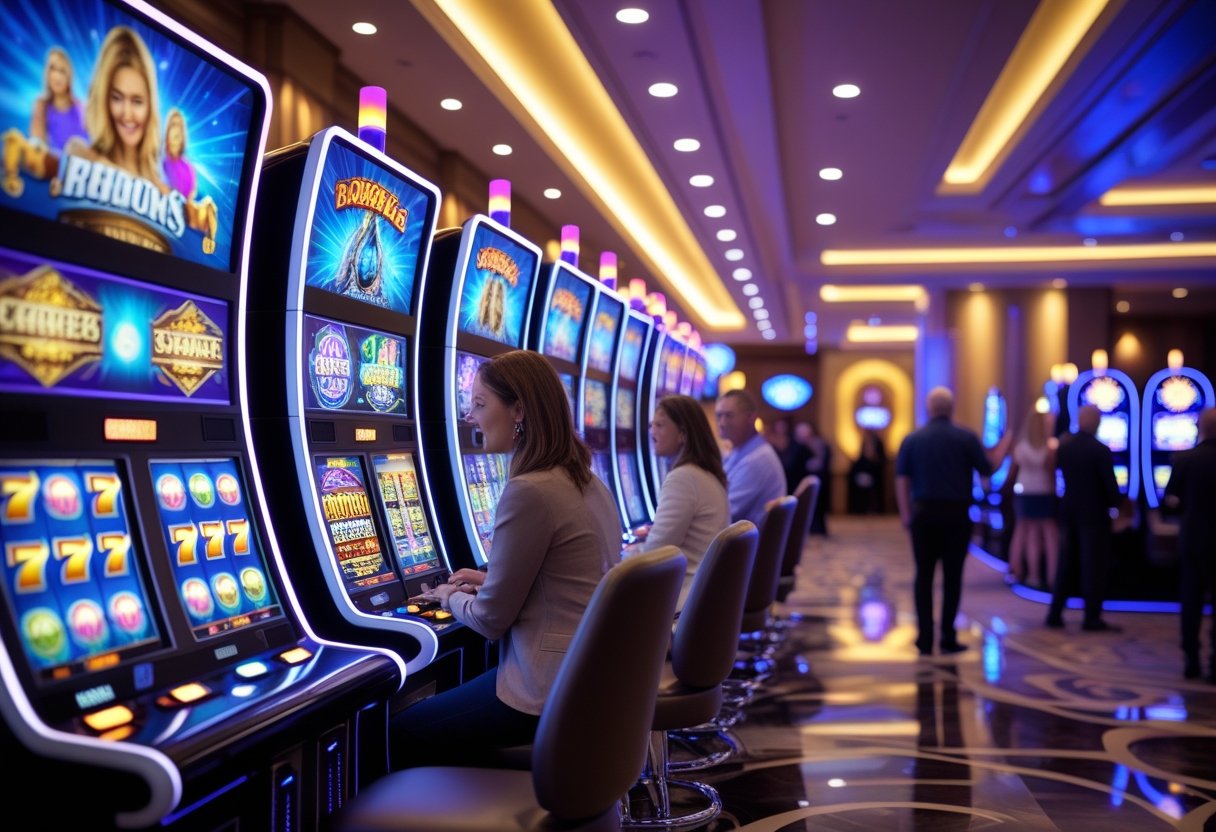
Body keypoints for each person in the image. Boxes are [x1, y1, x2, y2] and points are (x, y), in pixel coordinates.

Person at [388, 350, 622, 765]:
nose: (470, 417)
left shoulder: (530, 490)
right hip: (593, 678)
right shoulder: (586, 480)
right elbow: (560, 581)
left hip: (546, 690)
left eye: (480, 404)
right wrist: (488, 580)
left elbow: (492, 621)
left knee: (402, 729)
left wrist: (447, 597)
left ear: (519, 409)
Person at [896, 386, 1009, 656]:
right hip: (957, 515)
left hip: (923, 514)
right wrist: (1004, 446)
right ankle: (947, 636)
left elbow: (902, 480)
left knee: (923, 576)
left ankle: (924, 638)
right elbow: (988, 469)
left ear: (929, 409)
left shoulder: (913, 439)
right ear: (951, 408)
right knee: (952, 576)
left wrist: (905, 514)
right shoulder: (965, 437)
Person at [625, 394, 729, 611]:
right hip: (706, 594)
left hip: (682, 599)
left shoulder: (683, 477)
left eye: (660, 425)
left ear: (683, 433)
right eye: (652, 425)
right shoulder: (704, 474)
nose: (652, 432)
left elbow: (657, 551)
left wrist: (619, 555)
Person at [1045, 404, 1122, 632]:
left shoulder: (1065, 445)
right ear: (1096, 422)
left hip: (1068, 509)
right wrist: (1120, 506)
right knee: (1093, 566)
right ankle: (1091, 617)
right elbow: (1110, 488)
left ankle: (1055, 613)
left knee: (1066, 563)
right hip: (1094, 514)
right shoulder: (1100, 450)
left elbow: (1053, 471)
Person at [67, 26, 165, 185]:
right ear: (104, 100)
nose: (127, 114)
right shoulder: (81, 157)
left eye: (137, 101)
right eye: (117, 98)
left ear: (150, 107)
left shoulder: (163, 192)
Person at [1163, 408, 1216, 680]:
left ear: (1200, 428)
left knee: (1191, 600)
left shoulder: (1186, 459)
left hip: (1194, 536)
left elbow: (1170, 499)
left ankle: (1191, 660)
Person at [3, 47, 87, 196]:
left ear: (69, 77)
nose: (56, 76)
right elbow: (37, 142)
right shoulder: (41, 104)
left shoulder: (79, 107)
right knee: (14, 139)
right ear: (47, 74)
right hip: (49, 161)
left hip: (77, 166)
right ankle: (10, 180)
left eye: (62, 71)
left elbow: (87, 147)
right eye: (52, 69)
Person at [715, 389, 786, 529]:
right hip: (742, 543)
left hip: (744, 548)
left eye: (729, 416)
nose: (722, 423)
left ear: (750, 418)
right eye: (719, 416)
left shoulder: (757, 461)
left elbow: (722, 516)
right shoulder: (740, 451)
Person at [1007, 407, 1060, 588]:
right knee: (1050, 534)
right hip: (1044, 491)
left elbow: (1012, 473)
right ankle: (1053, 577)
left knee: (1024, 532)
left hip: (1024, 491)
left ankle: (1027, 574)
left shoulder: (1020, 446)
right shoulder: (1051, 446)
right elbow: (1051, 472)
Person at [797, 420, 832, 535]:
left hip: (820, 481)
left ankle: (819, 529)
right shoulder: (800, 447)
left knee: (818, 509)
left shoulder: (818, 444)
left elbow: (820, 463)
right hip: (808, 481)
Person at [848, 429, 887, 514]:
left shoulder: (878, 444)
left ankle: (876, 509)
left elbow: (883, 459)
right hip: (863, 473)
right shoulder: (863, 446)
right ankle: (860, 509)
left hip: (876, 474)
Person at [770, 416, 812, 495]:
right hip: (778, 483)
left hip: (795, 484)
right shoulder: (771, 447)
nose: (781, 430)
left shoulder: (796, 446)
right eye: (778, 428)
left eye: (782, 428)